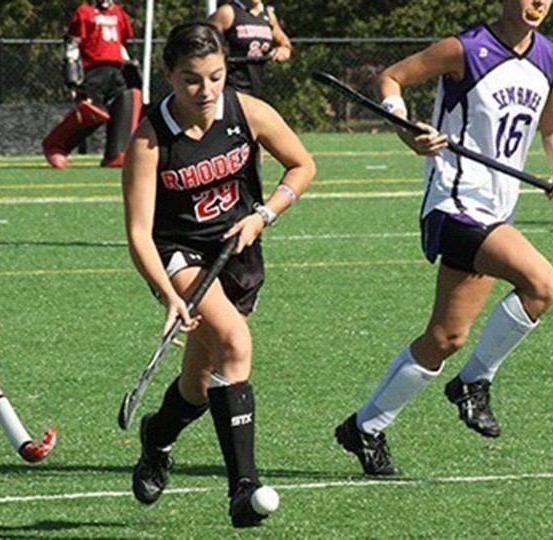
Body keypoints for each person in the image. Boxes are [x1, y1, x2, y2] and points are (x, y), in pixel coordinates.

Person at [333, 0, 553, 476]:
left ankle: (364, 428)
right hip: (454, 206)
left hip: (497, 212)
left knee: (446, 337)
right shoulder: (465, 49)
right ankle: (474, 383)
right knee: (542, 284)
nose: (537, 3)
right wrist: (407, 129)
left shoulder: (552, 59)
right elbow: (391, 79)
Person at [122, 22, 315, 527]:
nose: (205, 91)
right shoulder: (149, 138)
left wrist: (264, 214)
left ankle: (157, 438)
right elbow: (140, 233)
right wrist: (166, 296)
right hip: (180, 255)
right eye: (190, 79)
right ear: (167, 74)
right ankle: (243, 488)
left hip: (238, 253)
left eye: (215, 77)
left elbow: (301, 167)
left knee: (197, 383)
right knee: (235, 342)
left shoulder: (247, 112)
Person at [43, 0, 140, 169]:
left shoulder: (118, 13)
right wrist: (71, 73)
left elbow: (120, 43)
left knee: (125, 104)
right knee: (92, 113)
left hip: (116, 70)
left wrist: (128, 62)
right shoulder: (84, 12)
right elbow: (73, 43)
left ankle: (116, 152)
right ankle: (57, 145)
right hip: (93, 70)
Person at [208, 0, 293, 98]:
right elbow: (202, 40)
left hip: (258, 87)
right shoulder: (228, 12)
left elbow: (284, 41)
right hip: (230, 88)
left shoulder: (268, 15)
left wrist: (284, 49)